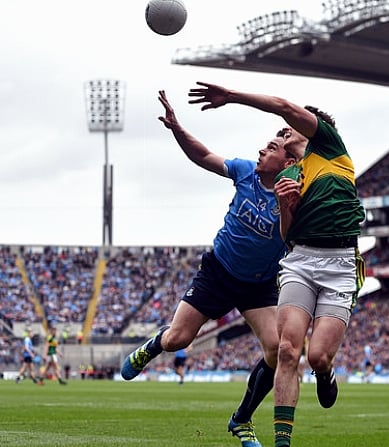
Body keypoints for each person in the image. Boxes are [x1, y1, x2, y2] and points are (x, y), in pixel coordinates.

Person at [120, 90, 303, 447]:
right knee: (178, 340)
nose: (262, 149)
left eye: (272, 147)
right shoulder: (244, 171)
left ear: (286, 162)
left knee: (278, 350)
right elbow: (203, 155)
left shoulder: (293, 191)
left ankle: (242, 420)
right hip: (218, 272)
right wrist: (177, 128)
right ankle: (152, 346)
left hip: (258, 285)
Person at [187, 81, 365, 447]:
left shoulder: (329, 148)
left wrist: (233, 96)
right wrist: (285, 205)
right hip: (301, 259)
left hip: (340, 262)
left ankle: (326, 372)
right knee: (287, 350)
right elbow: (287, 235)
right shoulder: (288, 175)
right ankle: (282, 443)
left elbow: (283, 105)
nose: (283, 131)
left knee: (317, 356)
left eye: (288, 127)